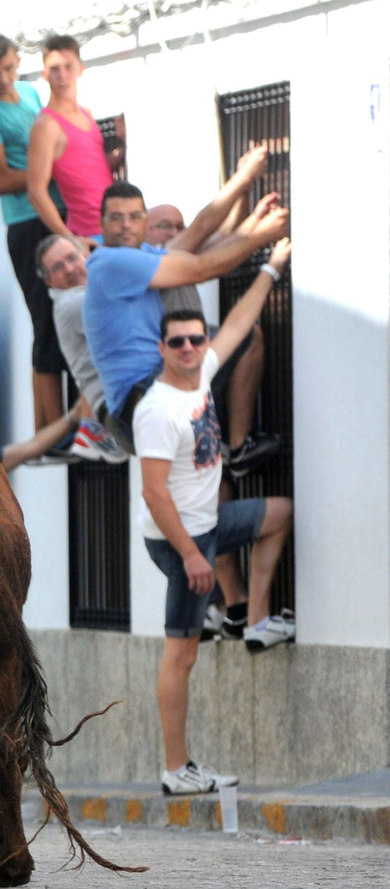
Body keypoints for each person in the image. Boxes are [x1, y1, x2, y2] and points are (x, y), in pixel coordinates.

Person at [140, 246, 296, 796]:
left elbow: (238, 322)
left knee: (279, 514)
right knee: (181, 653)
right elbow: (154, 492)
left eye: (195, 339)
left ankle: (253, 620)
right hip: (179, 537)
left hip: (209, 525)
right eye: (177, 342)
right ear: (162, 349)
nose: (189, 348)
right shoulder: (157, 410)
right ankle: (176, 769)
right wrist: (188, 554)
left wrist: (272, 268)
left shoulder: (203, 372)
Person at [84, 172, 287, 469]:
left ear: (143, 221)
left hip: (155, 388)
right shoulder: (111, 262)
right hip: (145, 398)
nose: (126, 225)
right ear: (102, 224)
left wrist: (254, 223)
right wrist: (262, 237)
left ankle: (234, 451)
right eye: (117, 218)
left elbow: (204, 243)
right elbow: (201, 268)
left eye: (134, 216)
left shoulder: (145, 255)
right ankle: (239, 447)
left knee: (207, 471)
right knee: (240, 336)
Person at [0, 33, 70, 429]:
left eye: (9, 68)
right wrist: (46, 171)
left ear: (18, 63)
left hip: (56, 211)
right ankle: (48, 429)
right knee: (44, 318)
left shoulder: (32, 95)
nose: (4, 78)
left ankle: (72, 423)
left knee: (70, 313)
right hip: (24, 221)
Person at [36, 234, 131, 463]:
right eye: (58, 267)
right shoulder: (74, 302)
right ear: (49, 281)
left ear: (85, 255)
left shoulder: (88, 292)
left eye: (72, 258)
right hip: (117, 407)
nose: (69, 269)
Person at [25, 35, 119, 251]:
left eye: (68, 66)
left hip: (114, 226)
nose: (63, 76)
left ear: (80, 68)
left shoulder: (87, 113)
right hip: (87, 235)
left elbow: (96, 170)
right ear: (44, 75)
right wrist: (70, 239)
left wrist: (122, 148)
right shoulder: (46, 125)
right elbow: (36, 192)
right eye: (55, 69)